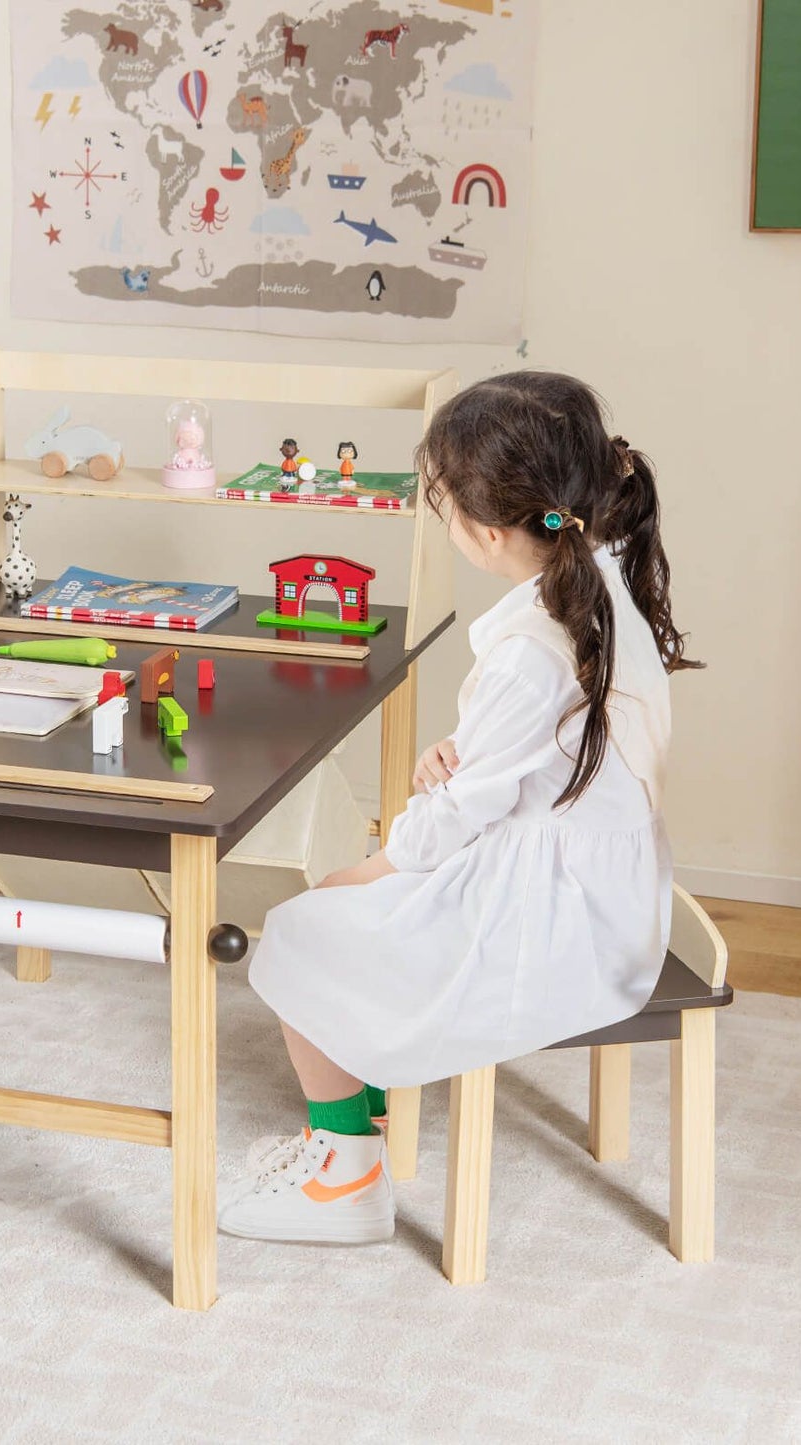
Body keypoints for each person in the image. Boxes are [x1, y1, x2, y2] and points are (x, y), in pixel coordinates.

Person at [219, 372, 702, 1245]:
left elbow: (447, 824)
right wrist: (458, 758)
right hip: (606, 894)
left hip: (556, 921)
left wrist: (368, 867)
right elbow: (525, 758)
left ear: (484, 533)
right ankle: (360, 1085)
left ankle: (346, 1175)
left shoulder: (532, 649)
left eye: (440, 502)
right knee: (350, 903)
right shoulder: (604, 578)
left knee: (302, 925)